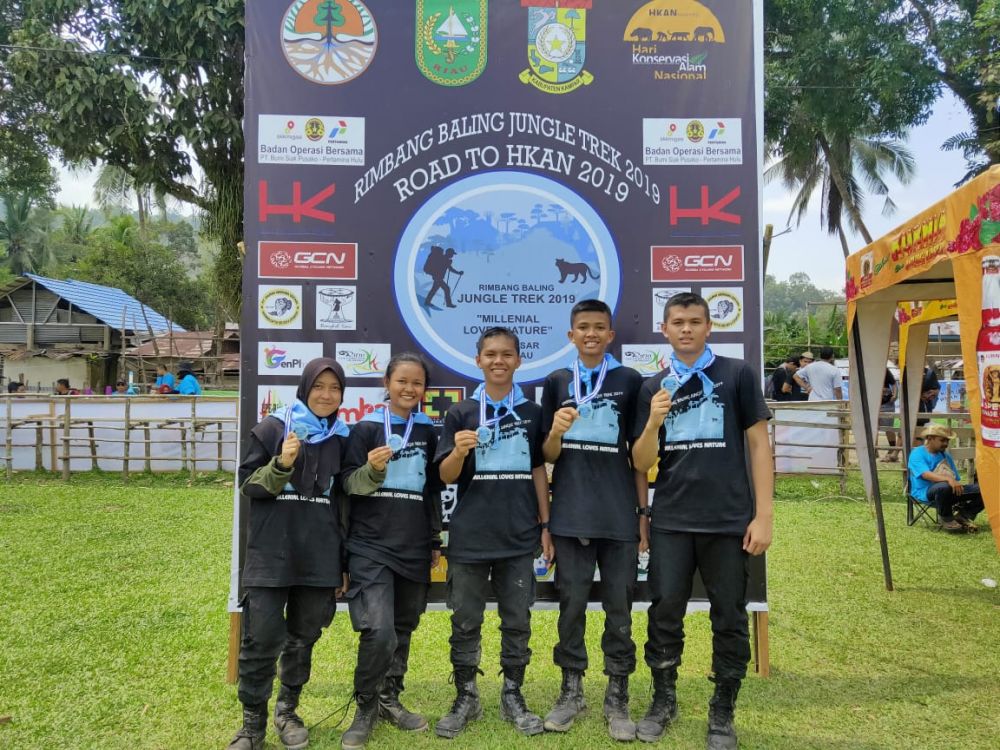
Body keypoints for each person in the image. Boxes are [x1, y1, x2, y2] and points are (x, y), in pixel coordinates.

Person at [631, 292, 773, 749]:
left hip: (728, 519)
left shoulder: (738, 373)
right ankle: (663, 700)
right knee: (664, 612)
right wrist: (652, 423)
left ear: (710, 327)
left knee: (729, 615)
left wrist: (764, 515)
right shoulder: (654, 386)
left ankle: (723, 710)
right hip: (672, 519)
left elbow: (759, 445)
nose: (687, 329)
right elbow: (641, 462)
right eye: (678, 322)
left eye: (695, 321)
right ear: (665, 329)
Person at [228, 359, 360, 750]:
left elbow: (344, 504)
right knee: (261, 639)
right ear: (304, 388)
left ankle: (288, 711)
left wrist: (342, 563)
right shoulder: (272, 429)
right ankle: (252, 726)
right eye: (319, 386)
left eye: (334, 388)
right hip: (272, 553)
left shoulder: (341, 438)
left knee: (303, 639)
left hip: (319, 554)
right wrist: (282, 463)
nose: (326, 395)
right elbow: (249, 485)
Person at [433, 327, 553, 739]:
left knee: (517, 620)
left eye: (506, 354)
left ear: (518, 360)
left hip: (519, 535)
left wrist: (545, 525)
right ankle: (466, 696)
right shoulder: (461, 412)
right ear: (478, 360)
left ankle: (512, 694)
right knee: (465, 620)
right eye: (490, 354)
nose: (498, 361)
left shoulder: (533, 412)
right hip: (470, 537)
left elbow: (538, 471)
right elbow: (446, 476)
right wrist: (459, 451)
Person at [539, 299, 647, 741]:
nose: (591, 334)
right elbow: (546, 455)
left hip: (619, 514)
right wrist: (555, 431)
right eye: (583, 327)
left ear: (610, 335)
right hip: (570, 514)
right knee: (572, 606)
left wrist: (642, 515)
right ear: (571, 335)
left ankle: (617, 695)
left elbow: (639, 457)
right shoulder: (556, 381)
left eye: (599, 327)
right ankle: (571, 692)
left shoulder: (630, 380)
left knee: (620, 607)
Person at [339, 353, 443, 749]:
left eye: (417, 383)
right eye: (402, 381)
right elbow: (347, 484)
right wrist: (372, 469)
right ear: (386, 383)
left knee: (402, 627)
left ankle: (389, 698)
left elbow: (432, 491)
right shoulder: (365, 429)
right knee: (378, 630)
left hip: (413, 545)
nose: (409, 389)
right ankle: (365, 707)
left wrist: (434, 540)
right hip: (370, 544)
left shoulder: (427, 431)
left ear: (424, 389)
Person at [907, 423, 984, 533]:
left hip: (948, 491)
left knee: (986, 490)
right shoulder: (917, 453)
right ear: (930, 438)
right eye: (942, 440)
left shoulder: (946, 455)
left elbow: (955, 477)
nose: (946, 444)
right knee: (944, 486)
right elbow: (925, 474)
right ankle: (947, 519)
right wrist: (949, 479)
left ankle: (963, 515)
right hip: (924, 492)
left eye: (947, 440)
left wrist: (953, 482)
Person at [880, 370, 899, 461]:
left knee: (888, 428)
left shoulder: (885, 369)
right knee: (872, 427)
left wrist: (895, 395)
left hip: (887, 403)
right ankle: (873, 450)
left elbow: (894, 383)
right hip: (871, 402)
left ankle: (892, 449)